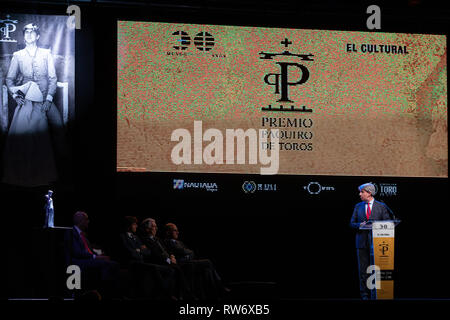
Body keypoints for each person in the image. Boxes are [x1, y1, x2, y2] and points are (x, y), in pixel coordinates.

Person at [2, 23, 66, 186]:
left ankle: (58, 174)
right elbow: (9, 79)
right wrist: (16, 96)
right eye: (26, 32)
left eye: (32, 32)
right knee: (22, 137)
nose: (29, 34)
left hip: (46, 100)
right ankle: (23, 176)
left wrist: (49, 100)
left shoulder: (46, 54)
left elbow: (52, 79)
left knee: (59, 129)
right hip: (27, 100)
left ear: (37, 36)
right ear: (24, 36)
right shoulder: (18, 55)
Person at [163, 223, 230, 299]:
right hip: (181, 264)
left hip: (189, 262)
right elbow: (182, 252)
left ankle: (215, 292)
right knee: (207, 262)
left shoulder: (180, 242)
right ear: (168, 232)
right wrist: (186, 254)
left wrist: (186, 254)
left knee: (207, 270)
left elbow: (191, 253)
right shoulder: (166, 242)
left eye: (177, 230)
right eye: (175, 230)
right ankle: (219, 285)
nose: (178, 232)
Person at [350, 183, 393, 300]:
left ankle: (377, 294)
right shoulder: (358, 206)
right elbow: (352, 223)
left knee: (376, 269)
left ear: (369, 193)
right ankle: (364, 295)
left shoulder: (381, 206)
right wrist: (360, 225)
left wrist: (377, 225)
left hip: (378, 243)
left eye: (362, 192)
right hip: (362, 242)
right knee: (363, 270)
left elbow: (388, 222)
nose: (360, 194)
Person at [65, 211, 120, 299]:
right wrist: (95, 257)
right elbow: (77, 252)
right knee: (111, 265)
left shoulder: (83, 235)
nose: (88, 221)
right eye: (86, 219)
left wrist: (99, 255)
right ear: (80, 220)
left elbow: (89, 250)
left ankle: (107, 292)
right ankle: (108, 294)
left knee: (109, 262)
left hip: (87, 259)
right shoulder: (71, 232)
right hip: (78, 262)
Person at [119, 216, 177, 299]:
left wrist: (138, 250)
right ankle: (166, 295)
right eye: (134, 224)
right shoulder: (122, 237)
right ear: (129, 225)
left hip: (141, 262)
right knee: (154, 268)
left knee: (171, 270)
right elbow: (129, 253)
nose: (136, 226)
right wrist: (140, 251)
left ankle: (168, 294)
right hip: (133, 263)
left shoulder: (136, 237)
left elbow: (147, 252)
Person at [139, 218, 193, 299]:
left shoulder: (158, 239)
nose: (156, 228)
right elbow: (155, 254)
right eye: (154, 226)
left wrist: (172, 256)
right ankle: (185, 294)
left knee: (181, 268)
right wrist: (169, 261)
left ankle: (181, 294)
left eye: (156, 226)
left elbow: (167, 250)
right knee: (176, 269)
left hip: (167, 261)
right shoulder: (144, 240)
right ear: (147, 229)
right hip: (158, 262)